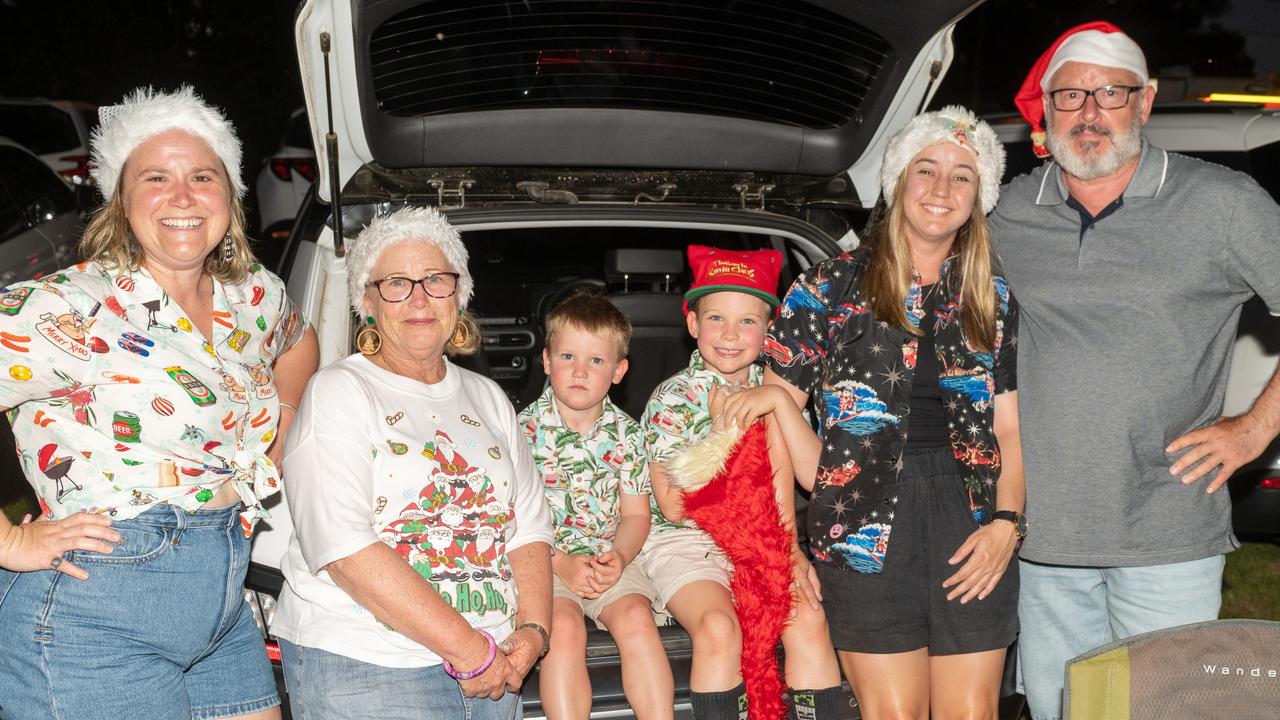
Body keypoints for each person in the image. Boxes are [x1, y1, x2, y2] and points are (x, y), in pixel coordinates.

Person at [990, 21, 1280, 720]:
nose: (1090, 114)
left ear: (1144, 103)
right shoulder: (1004, 214)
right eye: (1070, 96)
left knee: (1167, 708)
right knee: (1067, 708)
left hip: (1167, 526)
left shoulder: (1222, 204)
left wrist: (1251, 431)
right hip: (1041, 534)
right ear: (1046, 111)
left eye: (1110, 93)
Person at [0, 85, 319, 720]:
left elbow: (299, 342)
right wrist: (8, 543)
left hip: (223, 602)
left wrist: (281, 427)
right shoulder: (69, 306)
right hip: (95, 616)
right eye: (156, 177)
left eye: (203, 176)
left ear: (229, 196)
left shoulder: (253, 295)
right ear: (122, 200)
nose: (182, 197)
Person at [726, 106, 1023, 719]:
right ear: (897, 182)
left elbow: (1008, 430)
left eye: (962, 175)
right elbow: (771, 427)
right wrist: (784, 549)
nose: (942, 190)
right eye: (926, 169)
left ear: (980, 196)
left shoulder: (992, 297)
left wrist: (1008, 525)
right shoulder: (826, 288)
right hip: (860, 521)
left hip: (970, 522)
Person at [272, 205, 554, 719]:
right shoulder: (340, 390)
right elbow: (344, 546)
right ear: (368, 302)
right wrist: (471, 652)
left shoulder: (488, 396)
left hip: (497, 667)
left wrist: (533, 632)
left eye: (436, 280)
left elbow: (530, 527)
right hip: (368, 668)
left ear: (459, 294)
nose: (420, 298)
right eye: (397, 283)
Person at [640, 245, 844, 720]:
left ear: (770, 329)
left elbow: (815, 479)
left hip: (768, 539)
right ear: (692, 324)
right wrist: (723, 432)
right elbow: (673, 506)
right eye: (716, 319)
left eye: (748, 322)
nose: (731, 335)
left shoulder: (780, 390)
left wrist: (786, 550)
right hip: (687, 542)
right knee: (718, 627)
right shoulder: (671, 398)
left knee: (808, 617)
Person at [518, 291, 673, 720]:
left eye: (597, 361)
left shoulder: (628, 435)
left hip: (610, 557)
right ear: (546, 360)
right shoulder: (520, 432)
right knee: (562, 631)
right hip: (544, 561)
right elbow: (511, 521)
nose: (580, 371)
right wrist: (562, 562)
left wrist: (619, 558)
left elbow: (636, 515)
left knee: (638, 620)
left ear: (619, 371)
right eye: (568, 356)